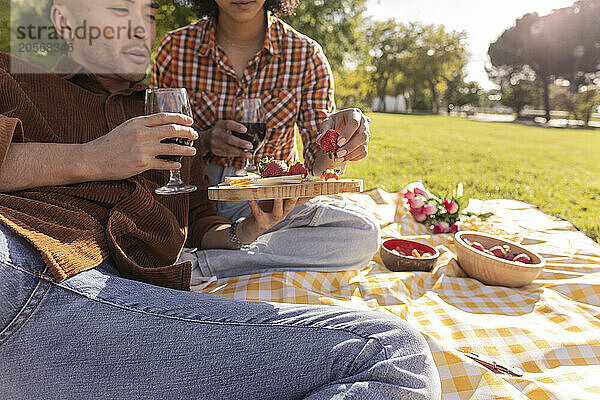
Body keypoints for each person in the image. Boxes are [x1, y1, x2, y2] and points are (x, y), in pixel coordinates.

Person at [0, 0, 441, 398]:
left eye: (149, 14)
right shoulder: (15, 75)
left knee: (392, 354)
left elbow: (200, 218)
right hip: (20, 257)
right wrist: (93, 158)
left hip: (100, 299)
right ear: (62, 20)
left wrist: (252, 228)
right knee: (390, 354)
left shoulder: (164, 122)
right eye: (120, 10)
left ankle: (194, 267)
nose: (141, 29)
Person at [150, 0, 380, 279]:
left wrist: (337, 141)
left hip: (273, 198)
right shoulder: (174, 48)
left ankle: (203, 264)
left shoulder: (306, 55)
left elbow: (316, 170)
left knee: (362, 232)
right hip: (195, 198)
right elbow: (156, 140)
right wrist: (206, 141)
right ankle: (244, 249)